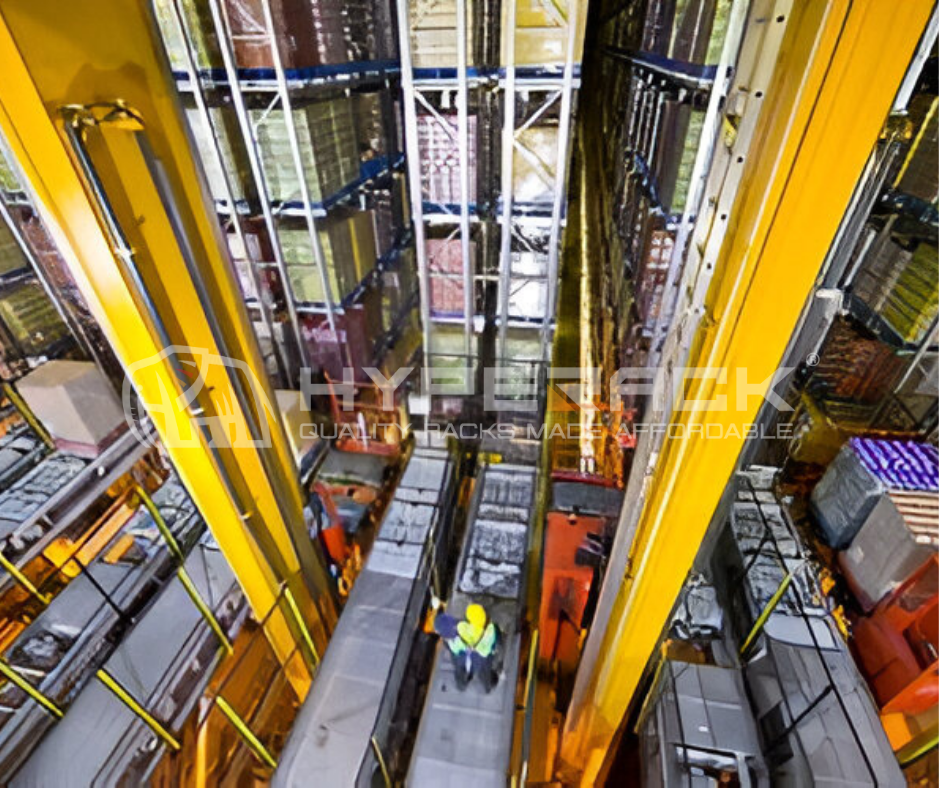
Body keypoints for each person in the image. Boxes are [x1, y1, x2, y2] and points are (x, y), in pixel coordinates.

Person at [434, 603, 501, 691]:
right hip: (483, 659)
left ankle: (461, 686)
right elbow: (495, 639)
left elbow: (455, 648)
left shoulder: (458, 633)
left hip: (463, 659)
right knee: (484, 675)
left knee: (460, 673)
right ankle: (488, 687)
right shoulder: (489, 629)